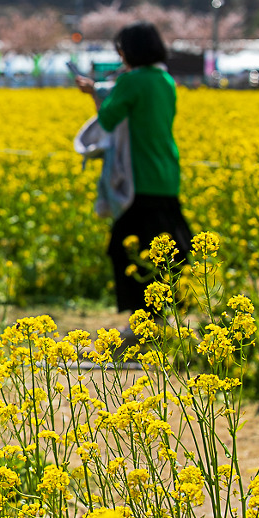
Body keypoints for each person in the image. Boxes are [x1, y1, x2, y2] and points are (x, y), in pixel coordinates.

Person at [75, 21, 193, 326]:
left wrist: (94, 91)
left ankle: (144, 320)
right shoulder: (165, 80)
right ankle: (170, 313)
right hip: (166, 172)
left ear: (129, 51)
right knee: (173, 246)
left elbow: (110, 117)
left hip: (141, 175)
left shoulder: (131, 82)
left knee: (126, 249)